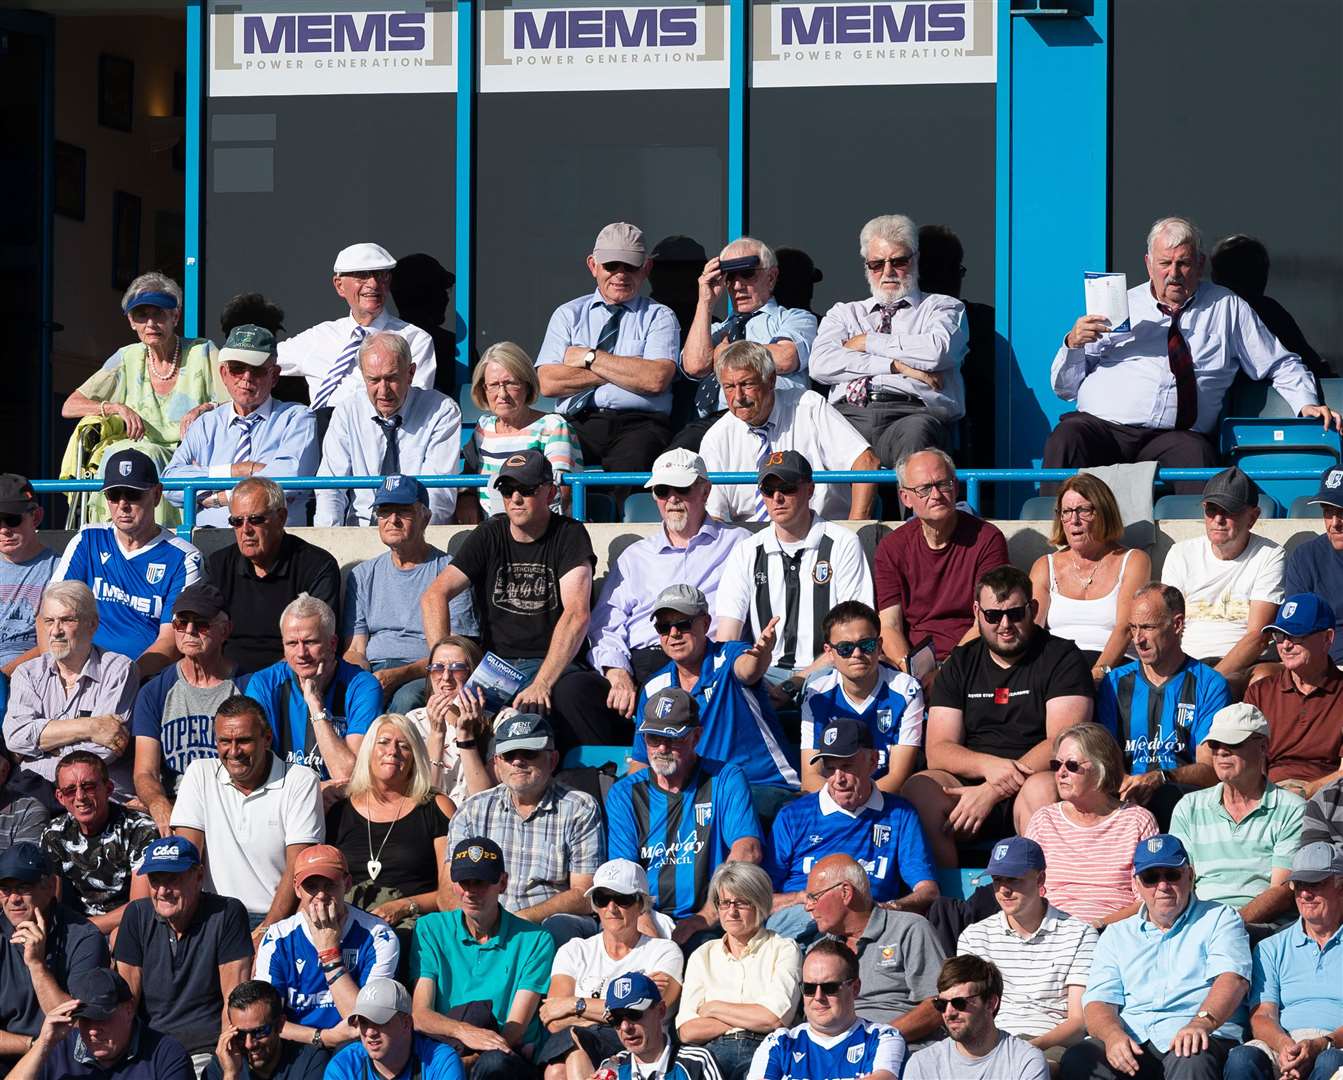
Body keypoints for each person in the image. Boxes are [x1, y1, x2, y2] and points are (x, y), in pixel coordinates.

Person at [1044, 216, 1339, 479]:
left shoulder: (1227, 307)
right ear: (1148, 264)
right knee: (1067, 437)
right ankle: (1056, 538)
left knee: (1198, 456)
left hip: (1176, 436)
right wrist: (1073, 345)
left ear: (1200, 264)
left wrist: (1306, 402)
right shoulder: (1119, 305)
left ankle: (1201, 541)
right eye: (1164, 263)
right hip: (1104, 429)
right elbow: (1065, 389)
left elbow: (1280, 363)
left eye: (1183, 263)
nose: (1174, 273)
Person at [420, 450, 621, 751]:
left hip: (553, 663)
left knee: (554, 700)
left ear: (550, 492)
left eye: (526, 490)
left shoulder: (569, 535)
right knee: (416, 700)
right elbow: (434, 595)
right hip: (496, 667)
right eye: (507, 489)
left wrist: (542, 682)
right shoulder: (490, 533)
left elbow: (577, 614)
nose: (515, 497)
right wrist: (444, 665)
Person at [902, 566, 1094, 867]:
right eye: (993, 616)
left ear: (1033, 609)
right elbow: (938, 749)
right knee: (920, 789)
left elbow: (1062, 742)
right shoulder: (959, 663)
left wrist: (992, 791)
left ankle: (1040, 895)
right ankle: (948, 899)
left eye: (1015, 614)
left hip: (1035, 778)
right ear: (977, 612)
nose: (1005, 625)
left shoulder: (1063, 658)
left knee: (1043, 788)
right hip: (968, 786)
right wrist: (987, 768)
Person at [1061, 833, 1251, 1080]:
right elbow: (1098, 1001)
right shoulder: (1117, 934)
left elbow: (1232, 979)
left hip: (1199, 1035)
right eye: (1151, 877)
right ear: (1137, 884)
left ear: (1190, 875)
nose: (1162, 886)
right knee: (1079, 1059)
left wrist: (1201, 1023)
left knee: (1190, 1056)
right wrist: (1112, 1035)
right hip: (1135, 1038)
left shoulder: (1220, 918)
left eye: (1171, 874)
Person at [61, 272, 219, 527]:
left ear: (175, 317)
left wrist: (204, 408)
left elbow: (238, 400)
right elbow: (70, 406)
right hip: (134, 457)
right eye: (141, 315)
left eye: (159, 314)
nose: (150, 323)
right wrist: (114, 407)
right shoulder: (127, 358)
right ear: (131, 322)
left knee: (142, 456)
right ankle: (111, 537)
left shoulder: (202, 351)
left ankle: (160, 538)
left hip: (187, 458)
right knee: (118, 455)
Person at [809, 214, 969, 466]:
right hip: (848, 413)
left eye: (898, 261)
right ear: (866, 267)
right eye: (876, 264)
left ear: (915, 259)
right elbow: (820, 365)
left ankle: (914, 507)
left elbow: (937, 351)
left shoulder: (942, 307)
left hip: (912, 412)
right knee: (814, 440)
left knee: (917, 438)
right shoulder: (845, 312)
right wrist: (899, 366)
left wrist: (867, 342)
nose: (887, 272)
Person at [607, 690, 764, 945]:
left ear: (696, 736)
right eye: (653, 738)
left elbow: (748, 851)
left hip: (710, 920)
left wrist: (704, 917)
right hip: (643, 917)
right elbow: (625, 874)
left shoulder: (725, 778)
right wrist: (652, 936)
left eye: (673, 739)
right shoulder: (625, 793)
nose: (661, 748)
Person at [590, 448, 745, 696]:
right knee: (574, 693)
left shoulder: (738, 544)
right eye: (662, 491)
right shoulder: (634, 556)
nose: (672, 499)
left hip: (708, 661)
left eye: (682, 489)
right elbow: (607, 623)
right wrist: (616, 670)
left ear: (705, 491)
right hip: (642, 660)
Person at [713, 451, 874, 684]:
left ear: (810, 490)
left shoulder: (843, 543)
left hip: (831, 670)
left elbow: (856, 633)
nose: (777, 497)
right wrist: (749, 668)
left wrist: (797, 681)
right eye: (768, 490)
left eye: (787, 487)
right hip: (765, 673)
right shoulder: (747, 551)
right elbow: (728, 637)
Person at [632, 585, 799, 808]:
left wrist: (762, 655)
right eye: (664, 627)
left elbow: (748, 669)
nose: (673, 634)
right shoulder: (653, 688)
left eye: (683, 624)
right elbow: (641, 761)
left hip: (763, 787)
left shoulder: (729, 656)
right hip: (697, 798)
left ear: (705, 623)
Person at [768, 719, 937, 939]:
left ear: (873, 761)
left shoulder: (899, 814)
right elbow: (760, 900)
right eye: (830, 768)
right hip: (803, 921)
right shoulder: (793, 815)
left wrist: (890, 908)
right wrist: (800, 898)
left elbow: (928, 891)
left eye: (847, 766)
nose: (838, 779)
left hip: (869, 927)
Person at [171, 694, 323, 936]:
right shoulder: (199, 773)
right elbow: (187, 856)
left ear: (267, 739)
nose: (233, 751)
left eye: (243, 741)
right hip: (211, 916)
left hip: (275, 916)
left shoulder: (301, 781)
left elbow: (299, 865)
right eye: (224, 741)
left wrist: (267, 931)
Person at [536, 222, 679, 474]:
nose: (621, 274)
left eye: (630, 266)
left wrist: (589, 356)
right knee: (540, 468)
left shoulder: (660, 316)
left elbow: (655, 379)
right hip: (575, 421)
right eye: (611, 265)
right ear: (593, 265)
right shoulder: (568, 314)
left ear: (646, 268)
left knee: (631, 470)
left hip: (640, 425)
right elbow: (548, 382)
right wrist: (625, 367)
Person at [410, 836, 555, 1078]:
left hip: (502, 1054)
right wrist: (463, 1031)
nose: (471, 891)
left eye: (481, 882)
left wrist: (467, 1060)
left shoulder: (535, 940)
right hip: (448, 1048)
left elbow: (514, 1031)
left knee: (492, 1064)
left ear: (503, 882)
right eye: (464, 882)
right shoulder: (430, 928)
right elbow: (420, 1015)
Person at [447, 714, 603, 936]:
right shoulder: (472, 811)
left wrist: (520, 919)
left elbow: (585, 893)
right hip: (483, 921)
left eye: (529, 753)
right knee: (432, 928)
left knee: (558, 926)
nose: (518, 761)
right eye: (509, 755)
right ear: (497, 764)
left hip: (544, 925)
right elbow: (449, 888)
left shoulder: (580, 808)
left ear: (553, 760)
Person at [51, 449, 202, 677]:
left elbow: (170, 643)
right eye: (113, 495)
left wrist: (122, 681)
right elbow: (51, 614)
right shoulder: (87, 539)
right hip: (76, 672)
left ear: (157, 494)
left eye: (133, 494)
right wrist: (55, 671)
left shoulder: (184, 558)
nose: (122, 504)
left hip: (143, 678)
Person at [699, 342, 880, 522]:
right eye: (729, 387)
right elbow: (715, 516)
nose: (738, 397)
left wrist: (856, 527)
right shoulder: (717, 437)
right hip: (749, 540)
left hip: (822, 530)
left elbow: (866, 462)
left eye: (746, 384)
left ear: (771, 380)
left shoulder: (809, 408)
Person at [341, 476, 478, 715]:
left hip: (425, 672)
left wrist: (400, 674)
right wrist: (361, 679)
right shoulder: (362, 574)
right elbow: (355, 649)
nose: (392, 520)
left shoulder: (451, 572)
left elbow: (459, 650)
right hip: (375, 670)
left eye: (403, 512)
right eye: (384, 512)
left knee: (405, 700)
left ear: (426, 517)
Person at [956, 837, 1097, 1067]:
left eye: (1013, 879)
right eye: (997, 879)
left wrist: (1029, 1048)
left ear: (1040, 878)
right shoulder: (974, 937)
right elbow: (968, 1011)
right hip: (988, 1043)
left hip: (1051, 1045)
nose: (1003, 890)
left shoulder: (1080, 934)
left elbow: (1078, 1021)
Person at [536, 859, 684, 1078]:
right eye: (602, 899)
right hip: (583, 1043)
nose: (611, 908)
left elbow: (649, 1012)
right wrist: (623, 1011)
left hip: (641, 1048)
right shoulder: (574, 950)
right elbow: (553, 1020)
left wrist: (574, 1004)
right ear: (594, 905)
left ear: (641, 904)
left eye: (622, 899)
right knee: (558, 1068)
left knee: (567, 1057)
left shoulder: (664, 951)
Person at [113, 835, 253, 1065]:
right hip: (147, 1050)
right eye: (155, 880)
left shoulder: (227, 913)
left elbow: (233, 1000)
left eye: (173, 879)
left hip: (204, 1050)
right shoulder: (136, 915)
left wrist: (225, 1058)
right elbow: (126, 1000)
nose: (162, 890)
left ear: (198, 877)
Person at [1093, 584, 1225, 827]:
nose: (1138, 640)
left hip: (1182, 800)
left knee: (1162, 797)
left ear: (1177, 624)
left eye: (1148, 627)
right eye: (1133, 628)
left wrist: (1162, 777)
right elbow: (1104, 758)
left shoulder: (1208, 684)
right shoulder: (1114, 684)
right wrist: (1125, 783)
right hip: (1123, 801)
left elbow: (1211, 770)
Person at [163, 324, 318, 527]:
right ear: (223, 373)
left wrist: (219, 496)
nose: (246, 377)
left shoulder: (297, 418)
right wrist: (239, 470)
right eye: (237, 368)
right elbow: (170, 485)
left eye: (257, 369)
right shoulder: (205, 424)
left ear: (274, 376)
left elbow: (288, 479)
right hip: (209, 543)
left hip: (275, 546)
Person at [1168, 704, 1305, 929]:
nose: (1221, 751)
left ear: (1263, 747)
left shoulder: (1292, 809)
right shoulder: (1189, 807)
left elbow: (1283, 891)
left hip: (1260, 929)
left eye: (1232, 743)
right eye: (1214, 744)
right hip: (1197, 926)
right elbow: (1179, 881)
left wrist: (1225, 928)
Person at [3, 581, 139, 806]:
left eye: (67, 620)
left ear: (92, 624)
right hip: (34, 795)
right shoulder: (27, 673)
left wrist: (37, 752)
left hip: (97, 800)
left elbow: (100, 753)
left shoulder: (119, 670)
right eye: (49, 621)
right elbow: (15, 737)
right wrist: (89, 727)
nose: (55, 631)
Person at [678, 236, 818, 450]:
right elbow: (695, 365)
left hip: (775, 421)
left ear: (771, 277)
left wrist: (726, 353)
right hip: (712, 423)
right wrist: (705, 301)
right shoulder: (715, 329)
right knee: (670, 467)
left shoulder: (795, 318)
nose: (737, 285)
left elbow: (785, 358)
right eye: (729, 276)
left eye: (747, 273)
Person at [874, 448, 1010, 665]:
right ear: (905, 497)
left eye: (943, 484)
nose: (936, 495)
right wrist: (908, 671)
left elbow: (987, 621)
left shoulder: (987, 539)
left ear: (956, 487)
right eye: (925, 489)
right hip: (912, 663)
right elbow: (889, 624)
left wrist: (946, 673)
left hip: (972, 660)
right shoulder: (892, 547)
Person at [255, 845, 399, 1048]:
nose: (321, 895)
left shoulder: (378, 935)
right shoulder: (277, 938)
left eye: (329, 885)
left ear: (347, 884)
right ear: (297, 888)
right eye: (311, 886)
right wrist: (321, 1037)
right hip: (296, 1046)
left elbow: (365, 1021)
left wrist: (329, 954)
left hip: (357, 1046)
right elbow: (266, 1022)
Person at [1222, 842, 1343, 1080]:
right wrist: (1287, 1046)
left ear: (1341, 885)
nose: (1306, 894)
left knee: (1331, 1061)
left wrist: (1321, 1044)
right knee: (1241, 1059)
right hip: (1284, 1042)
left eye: (1316, 883)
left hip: (1335, 1043)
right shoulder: (1271, 947)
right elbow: (1263, 1015)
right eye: (1299, 885)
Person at [131, 583, 244, 835]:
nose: (190, 631)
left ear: (225, 630)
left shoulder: (247, 686)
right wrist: (158, 803)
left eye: (201, 624)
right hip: (173, 805)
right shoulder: (155, 691)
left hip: (230, 806)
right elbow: (144, 771)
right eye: (181, 623)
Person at [324, 714, 453, 933]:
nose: (392, 751)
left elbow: (449, 895)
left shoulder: (437, 807)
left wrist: (405, 906)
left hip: (413, 929)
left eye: (404, 746)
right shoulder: (338, 812)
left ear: (414, 757)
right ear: (368, 751)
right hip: (347, 929)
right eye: (383, 742)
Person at [317, 332, 461, 526]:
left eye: (391, 378)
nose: (383, 391)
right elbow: (330, 486)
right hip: (360, 530)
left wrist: (416, 540)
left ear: (410, 373)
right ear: (363, 376)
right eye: (374, 380)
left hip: (416, 531)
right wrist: (329, 540)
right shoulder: (348, 410)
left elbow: (438, 493)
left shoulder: (441, 410)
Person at [276, 243, 436, 417]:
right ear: (339, 285)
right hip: (319, 436)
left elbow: (414, 406)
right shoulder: (319, 337)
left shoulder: (414, 339)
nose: (374, 284)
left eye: (381, 275)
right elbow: (260, 358)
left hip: (376, 437)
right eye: (362, 276)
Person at [1023, 724, 1158, 926]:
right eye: (1056, 764)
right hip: (1052, 933)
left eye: (1072, 765)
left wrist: (1099, 925)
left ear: (1101, 768)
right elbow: (1026, 889)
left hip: (1115, 934)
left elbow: (1147, 898)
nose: (1060, 773)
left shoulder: (1137, 820)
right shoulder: (1044, 820)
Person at [1159, 467, 1284, 684]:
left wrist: (1208, 682)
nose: (1218, 519)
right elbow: (1167, 623)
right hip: (1185, 662)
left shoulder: (1270, 555)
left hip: (1240, 666)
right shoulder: (1181, 553)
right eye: (1211, 510)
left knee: (1261, 679)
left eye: (1229, 511)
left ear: (1253, 517)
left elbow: (1257, 637)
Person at [678, 861, 801, 1080]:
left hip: (764, 1048)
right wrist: (750, 1015)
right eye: (725, 903)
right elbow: (688, 1030)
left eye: (741, 903)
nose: (731, 912)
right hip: (711, 1053)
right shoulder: (702, 955)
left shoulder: (784, 948)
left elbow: (773, 1019)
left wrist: (713, 1007)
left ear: (760, 904)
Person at [803, 854, 945, 1043]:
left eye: (814, 897)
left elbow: (939, 1004)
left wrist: (875, 1040)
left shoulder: (910, 929)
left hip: (900, 1048)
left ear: (845, 892)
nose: (807, 907)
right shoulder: (818, 950)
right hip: (831, 1052)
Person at [204, 479, 341, 673]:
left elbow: (317, 643)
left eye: (255, 519)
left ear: (281, 518)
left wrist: (261, 684)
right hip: (226, 678)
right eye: (236, 521)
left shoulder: (316, 565)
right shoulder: (219, 565)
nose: (245, 530)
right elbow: (202, 632)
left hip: (292, 678)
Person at [244, 594, 380, 781]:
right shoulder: (263, 684)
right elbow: (253, 769)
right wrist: (310, 793)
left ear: (332, 644)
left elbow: (351, 775)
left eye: (310, 642)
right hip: (283, 799)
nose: (301, 653)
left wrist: (316, 705)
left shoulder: (362, 686)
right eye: (292, 643)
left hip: (342, 802)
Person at [1029, 474, 1151, 679]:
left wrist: (1097, 673)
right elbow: (1031, 630)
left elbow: (1125, 628)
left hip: (1115, 668)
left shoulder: (1133, 560)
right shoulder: (1045, 566)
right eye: (1066, 512)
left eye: (1083, 510)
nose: (1074, 520)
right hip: (1057, 669)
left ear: (1104, 513)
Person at [799, 601, 924, 795]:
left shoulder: (906, 690)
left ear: (879, 645)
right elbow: (810, 777)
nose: (857, 654)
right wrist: (842, 805)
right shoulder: (816, 693)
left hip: (884, 800)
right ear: (829, 652)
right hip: (833, 798)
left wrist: (857, 801)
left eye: (866, 645)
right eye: (845, 648)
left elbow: (898, 777)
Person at [0, 842, 107, 1058]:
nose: (13, 899)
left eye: (23, 887)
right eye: (5, 889)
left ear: (49, 887)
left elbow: (81, 1024)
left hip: (68, 1058)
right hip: (14, 1053)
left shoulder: (84, 936)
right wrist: (35, 1046)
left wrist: (37, 966)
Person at [455, 341, 580, 523]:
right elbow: (468, 481)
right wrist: (466, 499)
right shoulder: (483, 428)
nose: (502, 394)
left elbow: (559, 494)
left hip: (539, 530)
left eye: (510, 383)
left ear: (527, 385)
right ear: (483, 389)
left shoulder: (553, 426)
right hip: (490, 533)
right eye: (494, 385)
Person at [747, 938, 905, 1080]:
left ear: (855, 988)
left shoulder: (882, 1037)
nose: (818, 997)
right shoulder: (778, 1042)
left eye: (829, 987)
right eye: (809, 988)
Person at [40, 751, 155, 935]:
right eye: (70, 790)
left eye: (89, 786)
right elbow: (50, 902)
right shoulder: (54, 833)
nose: (80, 796)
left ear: (108, 788)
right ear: (60, 797)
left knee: (121, 936)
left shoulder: (140, 828)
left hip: (128, 928)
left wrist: (82, 929)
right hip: (74, 931)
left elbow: (140, 906)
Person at [7, 968, 191, 1080]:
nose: (93, 1030)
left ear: (128, 1010)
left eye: (102, 1018)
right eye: (85, 1019)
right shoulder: (57, 1049)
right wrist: (42, 1045)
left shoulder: (166, 1054)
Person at [1244, 593, 1343, 799]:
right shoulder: (1260, 692)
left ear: (1327, 638)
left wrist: (1306, 792)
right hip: (1267, 797)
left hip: (1327, 799)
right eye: (1279, 636)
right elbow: (1248, 762)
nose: (1285, 645)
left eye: (1296, 635)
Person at [903, 955, 1050, 1080]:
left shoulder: (1025, 1061)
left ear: (991, 1003)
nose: (949, 1013)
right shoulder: (922, 1063)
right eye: (941, 1004)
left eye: (959, 1003)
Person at [402, 637, 495, 807]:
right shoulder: (414, 720)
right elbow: (424, 800)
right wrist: (437, 734)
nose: (445, 677)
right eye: (437, 668)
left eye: (457, 668)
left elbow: (484, 802)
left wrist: (465, 735)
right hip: (433, 821)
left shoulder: (501, 721)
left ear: (475, 673)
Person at [327, 978, 464, 1080]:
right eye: (363, 1022)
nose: (370, 1032)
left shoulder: (440, 1061)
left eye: (379, 1021)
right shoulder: (343, 1065)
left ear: (406, 1023)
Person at [594, 972, 722, 1080]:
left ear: (660, 1010)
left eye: (634, 1014)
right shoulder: (612, 1068)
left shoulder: (696, 1062)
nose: (625, 1027)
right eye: (615, 1019)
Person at [205, 980, 329, 1080]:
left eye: (259, 1032)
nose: (249, 1044)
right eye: (240, 1034)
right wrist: (231, 1075)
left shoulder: (310, 1062)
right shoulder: (221, 1067)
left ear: (280, 1025)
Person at [0, 474, 58, 678]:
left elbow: (53, 644)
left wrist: (4, 674)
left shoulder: (59, 570)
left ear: (36, 517)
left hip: (27, 677)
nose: (4, 529)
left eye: (12, 519)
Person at [1283, 465, 1343, 663]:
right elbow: (1296, 627)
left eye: (1342, 511)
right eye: (1327, 511)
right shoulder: (1305, 558)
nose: (1334, 523)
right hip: (1319, 671)